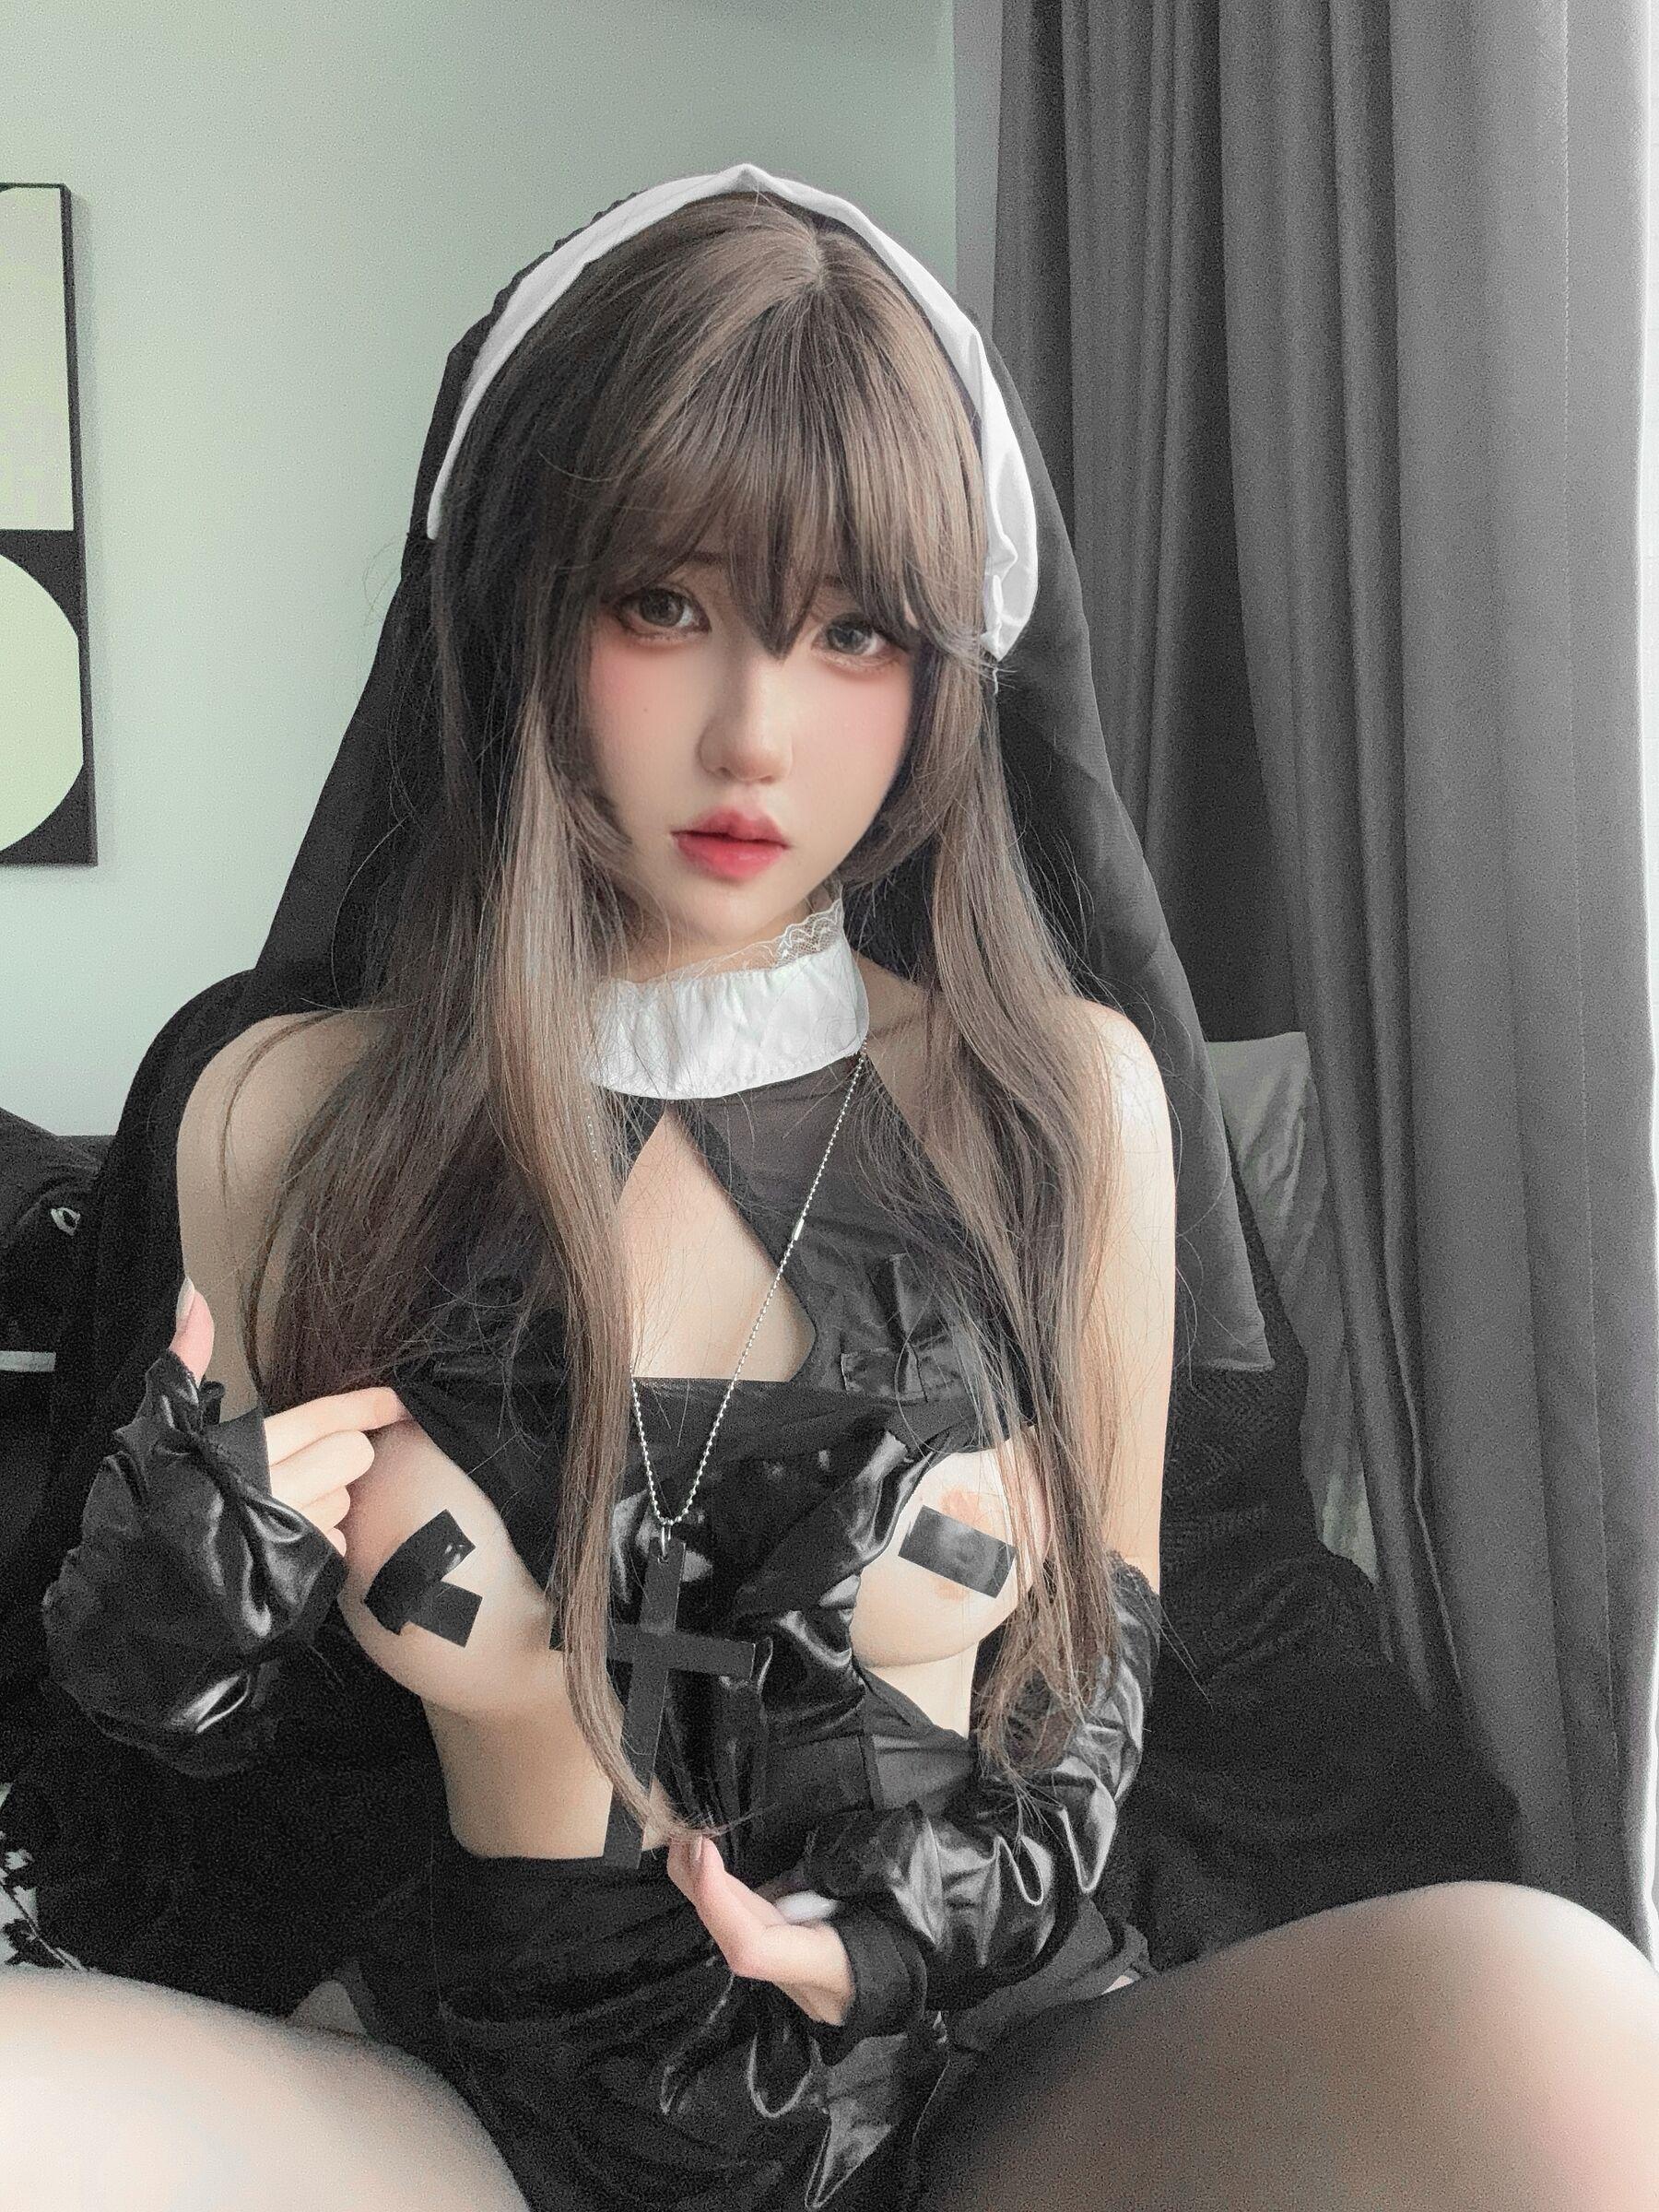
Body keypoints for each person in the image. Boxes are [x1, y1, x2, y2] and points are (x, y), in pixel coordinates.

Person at [3, 164, 1657, 2212]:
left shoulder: (1065, 1107)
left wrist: (903, 1933)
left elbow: (1102, 1687)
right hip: (480, 2110)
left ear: (950, 669)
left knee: (1558, 2017)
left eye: (852, 631)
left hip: (968, 2086)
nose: (754, 736)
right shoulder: (281, 1114)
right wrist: (168, 1621)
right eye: (663, 606)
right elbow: (191, 1789)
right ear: (520, 613)